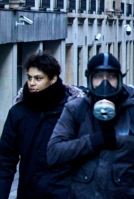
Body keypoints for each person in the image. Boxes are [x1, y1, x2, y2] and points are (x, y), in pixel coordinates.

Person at [47, 53, 134, 198]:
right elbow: (54, 153)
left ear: (120, 79)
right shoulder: (75, 110)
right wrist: (95, 140)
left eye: (111, 77)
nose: (105, 84)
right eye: (98, 77)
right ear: (89, 79)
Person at [0, 53, 84, 199]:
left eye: (38, 78)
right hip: (29, 192)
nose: (32, 83)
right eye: (29, 77)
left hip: (65, 193)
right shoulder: (18, 113)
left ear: (53, 79)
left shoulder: (73, 111)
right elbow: (5, 160)